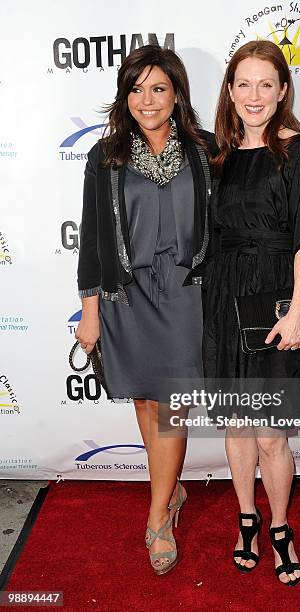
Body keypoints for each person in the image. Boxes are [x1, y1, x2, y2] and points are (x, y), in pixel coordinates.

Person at [201, 40, 300, 586]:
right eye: (243, 84)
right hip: (224, 297)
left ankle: (280, 526)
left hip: (278, 300)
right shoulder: (217, 153)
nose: (254, 95)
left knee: (270, 435)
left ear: (283, 90)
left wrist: (299, 310)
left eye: (266, 84)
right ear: (230, 91)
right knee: (237, 427)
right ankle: (246, 520)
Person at [75, 44, 214, 575]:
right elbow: (91, 237)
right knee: (145, 404)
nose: (147, 100)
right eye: (136, 89)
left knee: (171, 404)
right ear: (123, 95)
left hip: (186, 292)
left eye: (158, 88)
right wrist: (90, 310)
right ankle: (170, 488)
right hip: (125, 298)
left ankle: (158, 515)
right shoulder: (105, 156)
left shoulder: (205, 152)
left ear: (177, 94)